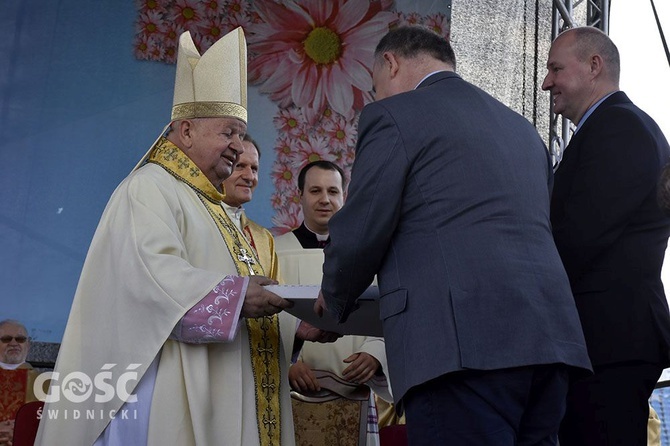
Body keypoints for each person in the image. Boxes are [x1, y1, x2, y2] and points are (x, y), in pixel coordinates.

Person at [35, 28, 336, 446]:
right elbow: (150, 280)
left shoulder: (217, 208)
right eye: (228, 132)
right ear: (187, 130)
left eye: (240, 134)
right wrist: (234, 296)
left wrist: (297, 330)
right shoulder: (149, 188)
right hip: (163, 396)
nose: (237, 145)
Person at [315, 25, 592, 445]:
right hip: (549, 343)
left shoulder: (394, 115)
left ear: (389, 63)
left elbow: (361, 228)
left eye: (375, 87)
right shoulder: (523, 131)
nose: (376, 98)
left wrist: (331, 304)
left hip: (460, 351)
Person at [541, 26, 670, 446]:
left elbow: (577, 237)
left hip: (609, 343)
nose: (546, 82)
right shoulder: (613, 127)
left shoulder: (620, 128)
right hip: (602, 341)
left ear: (594, 66)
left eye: (556, 68)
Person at [275, 161, 391, 446]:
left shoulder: (367, 255)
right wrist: (287, 362)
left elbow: (389, 307)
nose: (324, 199)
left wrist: (376, 354)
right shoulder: (274, 251)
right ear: (299, 194)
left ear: (343, 196)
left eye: (332, 191)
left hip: (357, 392)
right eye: (315, 190)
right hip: (291, 392)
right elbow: (265, 318)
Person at [222, 134, 280, 279]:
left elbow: (279, 293)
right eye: (239, 166)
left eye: (254, 169)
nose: (249, 176)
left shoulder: (263, 238)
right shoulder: (200, 224)